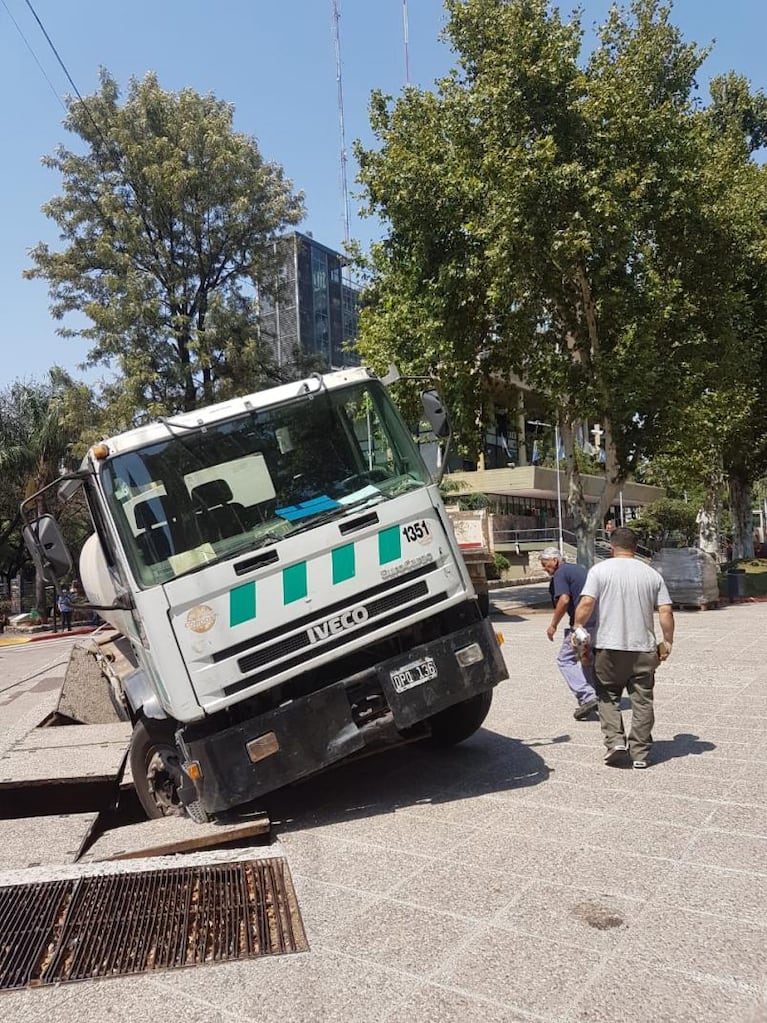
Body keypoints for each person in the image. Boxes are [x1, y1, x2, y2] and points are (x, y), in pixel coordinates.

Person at [573, 526, 675, 769]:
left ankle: (616, 743)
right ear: (636, 547)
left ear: (611, 547)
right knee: (642, 700)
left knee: (607, 696)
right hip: (644, 648)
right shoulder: (652, 575)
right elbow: (665, 611)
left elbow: (587, 602)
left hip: (608, 646)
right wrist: (668, 640)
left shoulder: (599, 570)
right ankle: (640, 753)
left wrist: (577, 625)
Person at [539, 547, 598, 720]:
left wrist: (553, 625)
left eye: (545, 563)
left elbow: (564, 600)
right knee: (586, 660)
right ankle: (595, 694)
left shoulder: (560, 573)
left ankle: (588, 696)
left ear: (555, 561)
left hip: (581, 626)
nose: (544, 567)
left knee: (565, 660)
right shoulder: (579, 569)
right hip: (596, 622)